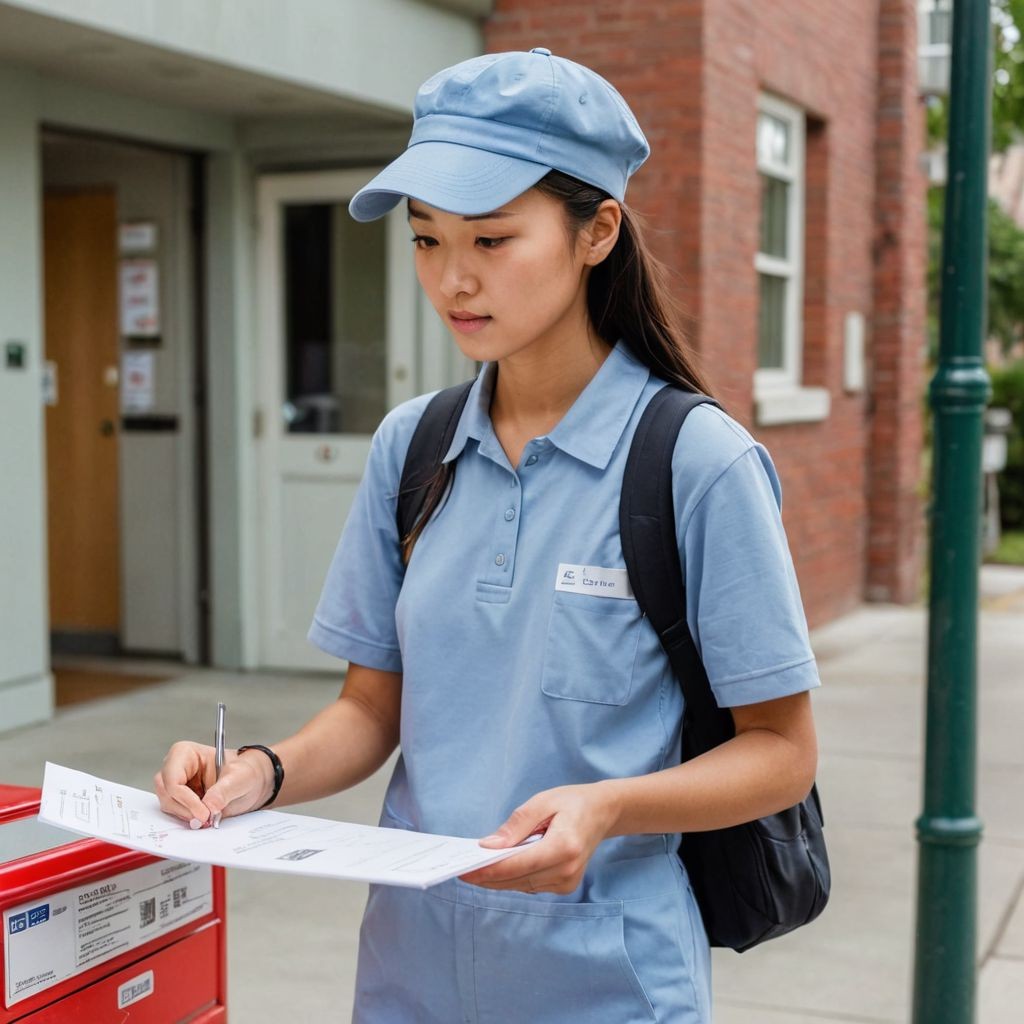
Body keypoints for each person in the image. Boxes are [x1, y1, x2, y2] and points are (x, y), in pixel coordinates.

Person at [155, 47, 821, 1023]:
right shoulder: (411, 447)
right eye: (426, 240)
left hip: (607, 981)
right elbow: (371, 710)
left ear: (597, 231)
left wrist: (608, 807)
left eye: (491, 239)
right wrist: (260, 773)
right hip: (408, 972)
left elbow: (782, 751)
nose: (452, 279)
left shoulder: (695, 464)